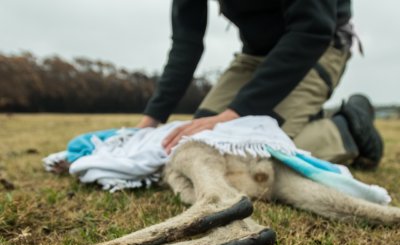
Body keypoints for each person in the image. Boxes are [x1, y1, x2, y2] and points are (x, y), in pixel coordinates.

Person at [137, 0, 383, 169]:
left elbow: (313, 29)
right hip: (255, 54)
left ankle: (346, 129)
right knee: (197, 146)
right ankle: (295, 116)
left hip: (319, 44)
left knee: (247, 154)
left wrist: (233, 115)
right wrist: (150, 122)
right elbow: (186, 43)